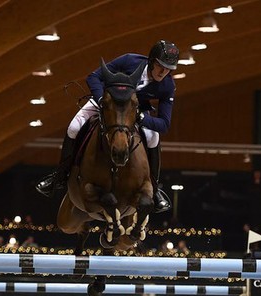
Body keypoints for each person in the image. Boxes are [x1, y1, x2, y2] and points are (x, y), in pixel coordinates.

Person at [35, 40, 179, 214]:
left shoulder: (168, 85)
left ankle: (155, 190)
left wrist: (140, 117)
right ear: (151, 60)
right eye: (160, 66)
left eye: (169, 68)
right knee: (74, 127)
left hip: (134, 111)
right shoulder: (129, 61)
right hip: (107, 102)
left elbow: (164, 124)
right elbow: (93, 77)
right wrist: (102, 101)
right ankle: (59, 176)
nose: (164, 72)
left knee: (153, 137)